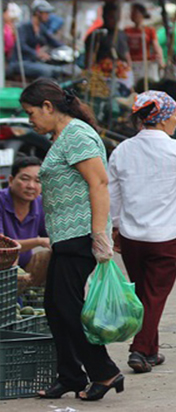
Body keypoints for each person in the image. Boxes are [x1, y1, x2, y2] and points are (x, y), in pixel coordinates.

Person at [19, 79, 122, 402]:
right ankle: (70, 375)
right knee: (54, 307)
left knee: (66, 306)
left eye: (31, 112)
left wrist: (99, 235)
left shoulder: (77, 135)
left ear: (48, 107)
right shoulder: (63, 136)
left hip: (80, 234)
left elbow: (99, 183)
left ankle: (104, 371)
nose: (30, 120)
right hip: (64, 236)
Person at [107, 91, 176, 374]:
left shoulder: (122, 150)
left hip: (132, 236)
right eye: (174, 116)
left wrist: (115, 226)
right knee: (154, 296)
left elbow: (113, 194)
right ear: (162, 120)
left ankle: (150, 350)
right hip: (167, 237)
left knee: (145, 294)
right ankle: (139, 350)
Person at [0, 157, 50, 287]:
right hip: (3, 268)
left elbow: (51, 235)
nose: (31, 186)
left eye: (37, 181)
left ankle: (30, 293)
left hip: (24, 268)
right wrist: (39, 241)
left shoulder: (41, 203)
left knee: (52, 254)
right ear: (11, 180)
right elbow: (3, 249)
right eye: (25, 179)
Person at [8, 0, 68, 79]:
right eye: (46, 13)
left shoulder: (41, 28)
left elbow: (51, 41)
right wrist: (37, 54)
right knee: (46, 71)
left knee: (58, 70)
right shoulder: (24, 27)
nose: (48, 16)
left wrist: (66, 47)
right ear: (37, 13)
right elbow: (21, 45)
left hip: (32, 61)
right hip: (20, 62)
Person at [124, 3, 164, 84]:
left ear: (142, 14)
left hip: (145, 65)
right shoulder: (126, 31)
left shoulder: (149, 30)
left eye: (135, 13)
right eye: (131, 12)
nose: (132, 15)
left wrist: (161, 60)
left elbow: (156, 46)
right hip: (131, 64)